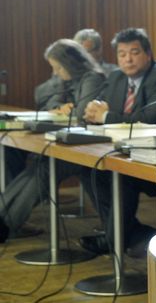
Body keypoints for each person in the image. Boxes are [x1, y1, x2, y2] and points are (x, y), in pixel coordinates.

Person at [80, 28, 156, 257]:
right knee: (89, 169)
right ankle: (123, 234)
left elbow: (146, 122)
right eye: (122, 54)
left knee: (121, 175)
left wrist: (105, 117)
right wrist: (93, 112)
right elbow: (110, 112)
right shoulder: (117, 78)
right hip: (131, 153)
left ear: (148, 54)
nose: (128, 59)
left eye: (134, 52)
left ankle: (115, 239)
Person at [0, 39, 106, 242]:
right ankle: (3, 219)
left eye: (58, 67)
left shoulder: (93, 78)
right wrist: (61, 107)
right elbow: (50, 101)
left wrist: (68, 109)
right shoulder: (68, 80)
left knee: (45, 169)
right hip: (69, 142)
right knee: (38, 166)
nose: (56, 72)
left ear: (70, 63)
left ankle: (8, 224)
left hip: (89, 146)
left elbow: (83, 115)